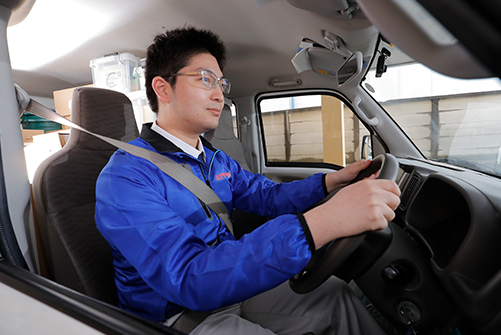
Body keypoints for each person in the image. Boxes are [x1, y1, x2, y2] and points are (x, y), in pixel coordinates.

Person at [95, 26, 401, 334]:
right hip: (178, 314)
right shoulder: (126, 177)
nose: (219, 94)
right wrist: (321, 224)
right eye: (205, 79)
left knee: (335, 295)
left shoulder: (215, 159)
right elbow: (187, 277)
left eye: (221, 82)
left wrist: (331, 182)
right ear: (162, 88)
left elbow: (268, 197)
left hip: (230, 284)